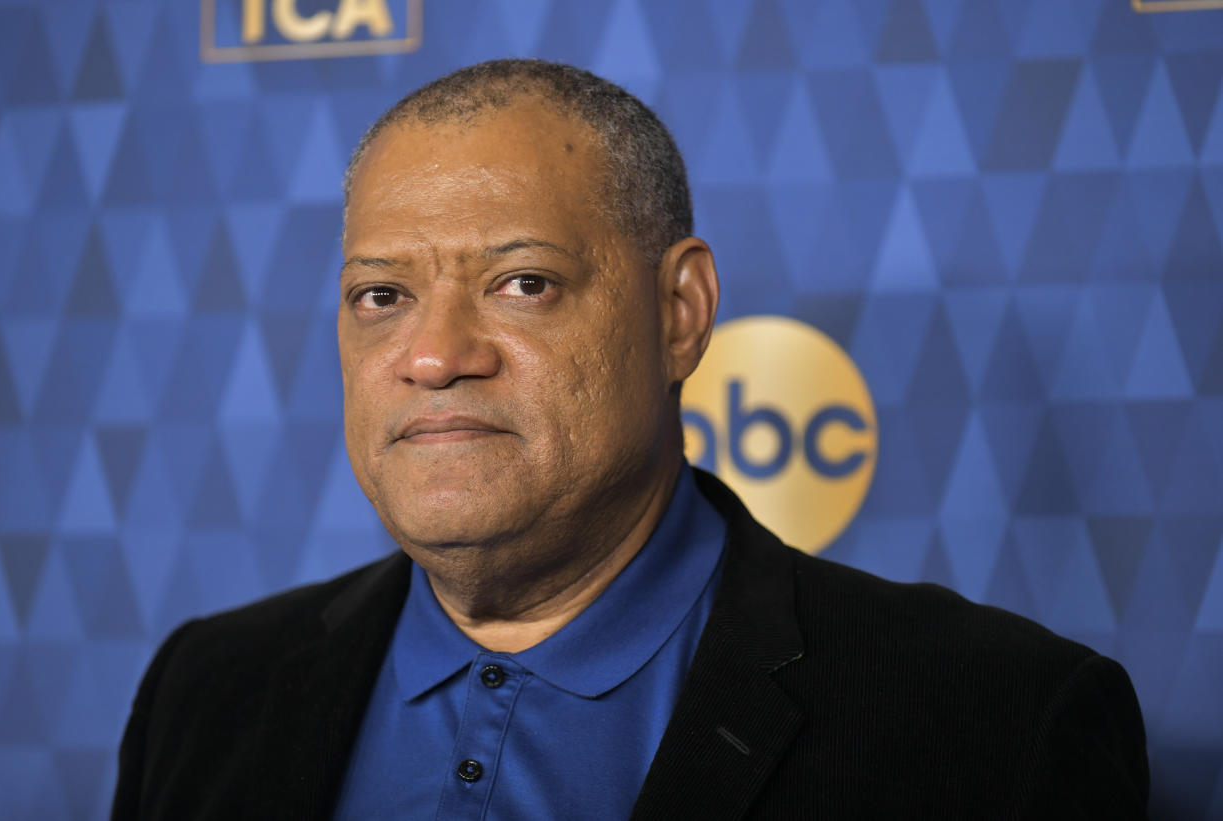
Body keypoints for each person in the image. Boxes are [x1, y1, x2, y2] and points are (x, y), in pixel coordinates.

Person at [111, 59, 1149, 820]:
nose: (432, 355)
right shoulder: (205, 693)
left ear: (682, 311)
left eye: (523, 282)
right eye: (381, 294)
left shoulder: (999, 726)